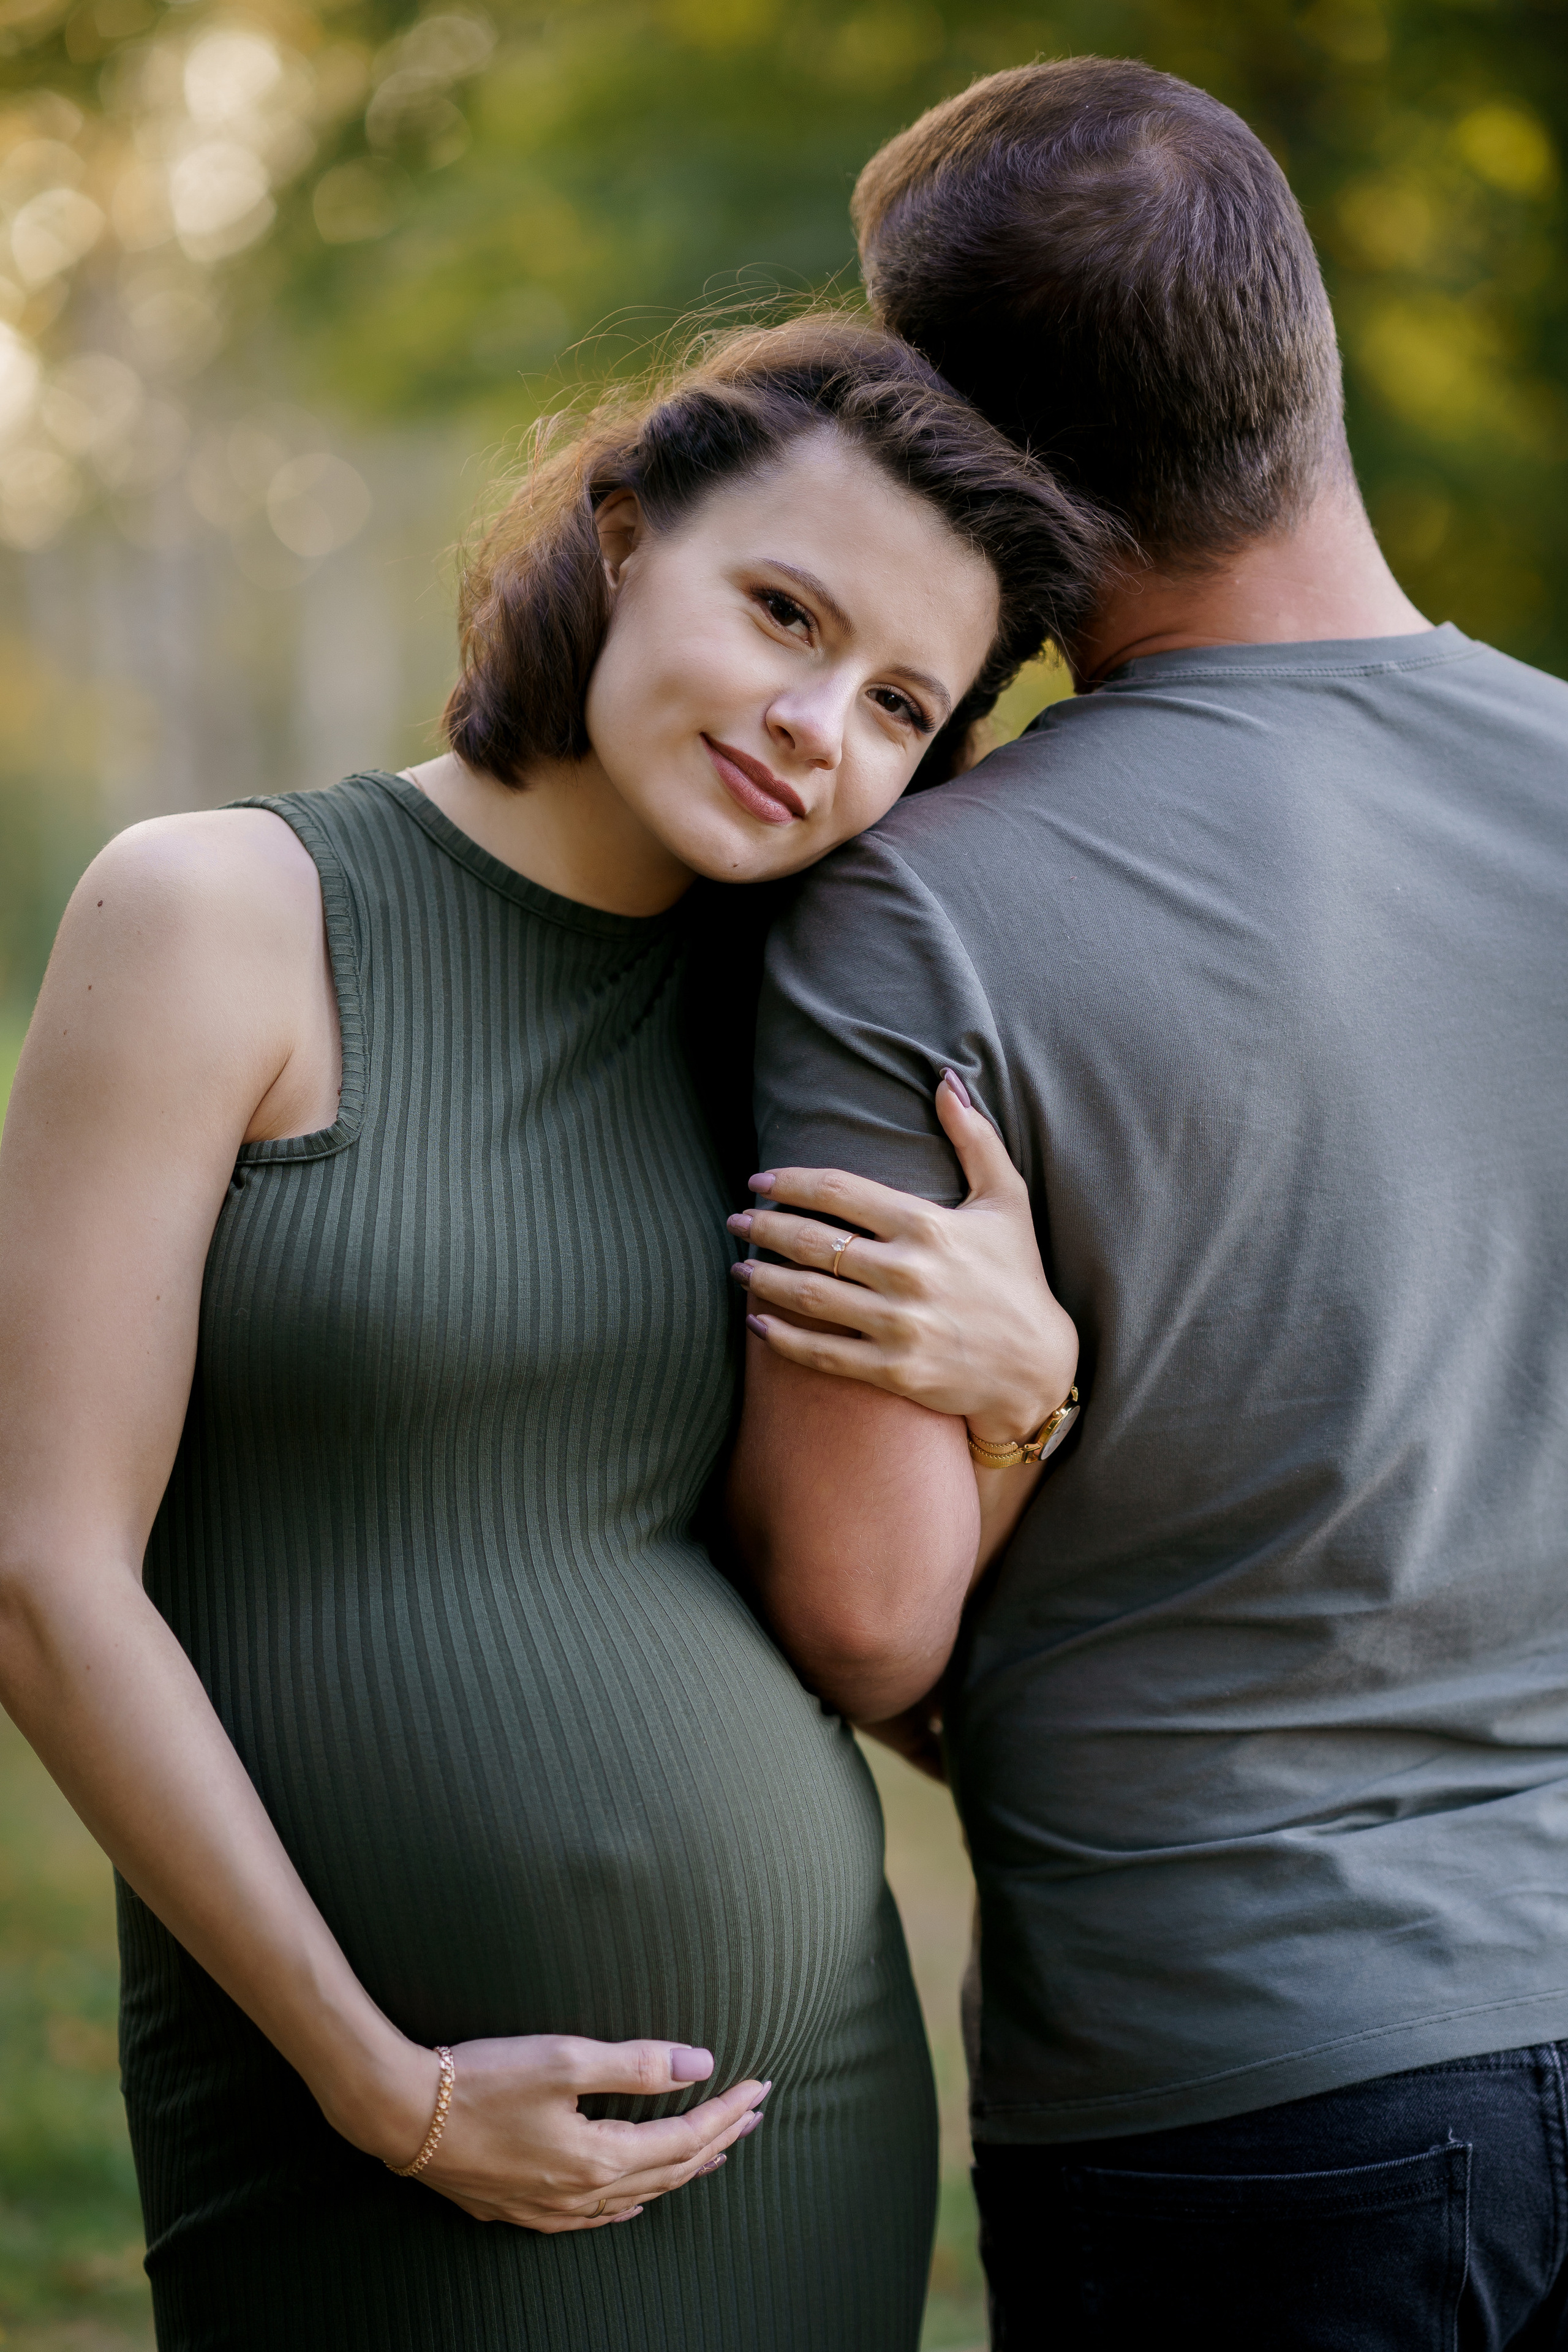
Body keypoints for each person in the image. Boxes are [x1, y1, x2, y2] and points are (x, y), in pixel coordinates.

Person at [0, 317, 1098, 2351]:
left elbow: (870, 1648)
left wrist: (1020, 1398)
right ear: (616, 540)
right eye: (783, 609)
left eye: (896, 705)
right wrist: (380, 2086)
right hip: (361, 2116)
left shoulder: (799, 1043)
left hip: (800, 2124)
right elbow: (43, 1575)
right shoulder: (219, 915)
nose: (812, 720)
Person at [729, 62, 1568, 2351]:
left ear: (971, 444)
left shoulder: (918, 913)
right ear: (1301, 339)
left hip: (1247, 2095)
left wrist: (1029, 1416)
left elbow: (865, 1615)